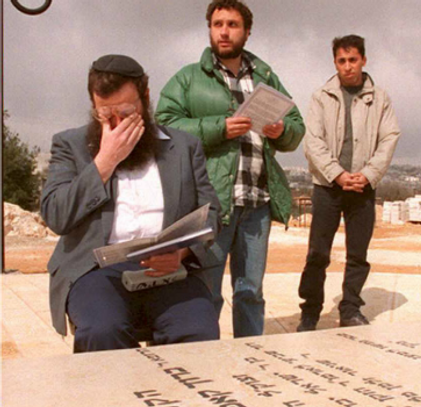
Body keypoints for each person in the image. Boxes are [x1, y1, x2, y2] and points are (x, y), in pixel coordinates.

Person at [41, 54, 221, 353]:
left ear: (145, 98)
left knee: (198, 330)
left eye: (126, 112)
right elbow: (56, 215)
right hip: (95, 271)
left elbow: (211, 212)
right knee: (102, 331)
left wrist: (182, 251)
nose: (117, 123)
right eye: (105, 114)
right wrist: (105, 161)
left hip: (170, 269)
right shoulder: (70, 145)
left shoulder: (184, 147)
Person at [156, 0, 305, 338]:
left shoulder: (265, 76)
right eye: (217, 24)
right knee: (205, 291)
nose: (224, 31)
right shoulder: (189, 78)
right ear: (210, 29)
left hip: (257, 202)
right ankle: (204, 353)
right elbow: (164, 125)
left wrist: (282, 130)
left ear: (247, 32)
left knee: (250, 292)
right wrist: (219, 128)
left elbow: (297, 126)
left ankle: (249, 356)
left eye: (232, 24)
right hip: (213, 205)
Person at [297, 35, 401, 331]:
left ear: (363, 60)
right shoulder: (321, 97)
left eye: (353, 60)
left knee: (358, 254)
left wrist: (367, 175)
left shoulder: (380, 99)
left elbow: (389, 137)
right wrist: (337, 174)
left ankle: (351, 309)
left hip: (362, 188)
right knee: (317, 254)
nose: (347, 66)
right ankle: (310, 312)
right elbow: (312, 141)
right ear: (335, 62)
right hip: (327, 187)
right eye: (341, 61)